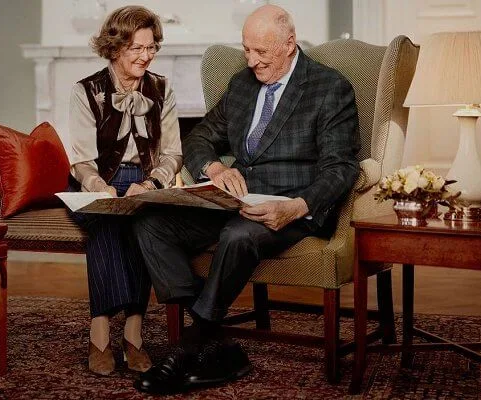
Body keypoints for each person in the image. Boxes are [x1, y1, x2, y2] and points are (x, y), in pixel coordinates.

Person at [132, 4, 360, 394]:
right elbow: (199, 138)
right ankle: (214, 339)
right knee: (150, 222)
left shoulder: (329, 88)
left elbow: (342, 168)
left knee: (239, 236)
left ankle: (189, 345)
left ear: (289, 45)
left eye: (262, 52)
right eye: (246, 50)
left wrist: (297, 206)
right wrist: (216, 170)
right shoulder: (241, 86)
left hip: (291, 208)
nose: (252, 61)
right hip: (233, 202)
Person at [66, 5, 182, 376]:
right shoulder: (86, 90)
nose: (146, 56)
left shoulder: (162, 89)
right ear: (115, 47)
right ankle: (101, 331)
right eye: (137, 48)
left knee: (146, 223)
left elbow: (173, 154)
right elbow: (82, 161)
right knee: (104, 220)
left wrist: (149, 183)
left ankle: (132, 331)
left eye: (151, 48)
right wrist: (101, 188)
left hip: (143, 182)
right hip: (94, 181)